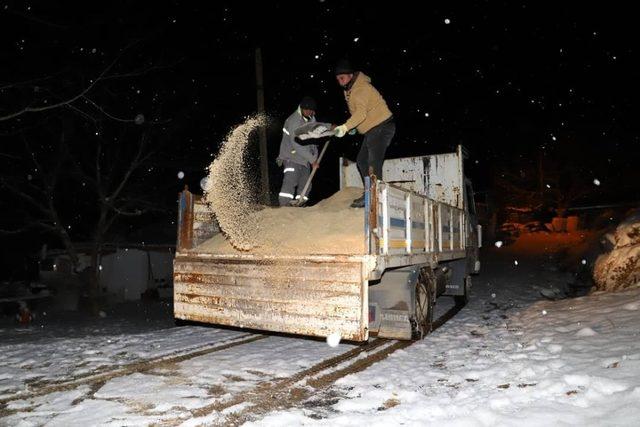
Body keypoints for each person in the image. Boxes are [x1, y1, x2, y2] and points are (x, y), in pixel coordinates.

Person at [332, 59, 395, 207]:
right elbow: (361, 114)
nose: (340, 82)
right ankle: (370, 192)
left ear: (351, 75)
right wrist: (355, 127)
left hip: (382, 126)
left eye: (342, 78)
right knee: (361, 161)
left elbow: (361, 114)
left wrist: (345, 127)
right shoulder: (351, 90)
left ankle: (374, 196)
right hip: (373, 129)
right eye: (338, 79)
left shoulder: (360, 89)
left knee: (373, 161)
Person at [276, 96, 319, 206]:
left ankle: (300, 205)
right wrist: (312, 160)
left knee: (306, 185)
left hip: (305, 159)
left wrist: (314, 157)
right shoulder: (294, 120)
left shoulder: (312, 121)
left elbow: (314, 141)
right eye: (306, 110)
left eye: (311, 110)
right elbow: (296, 143)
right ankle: (284, 207)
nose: (308, 112)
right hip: (292, 157)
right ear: (301, 108)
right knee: (290, 182)